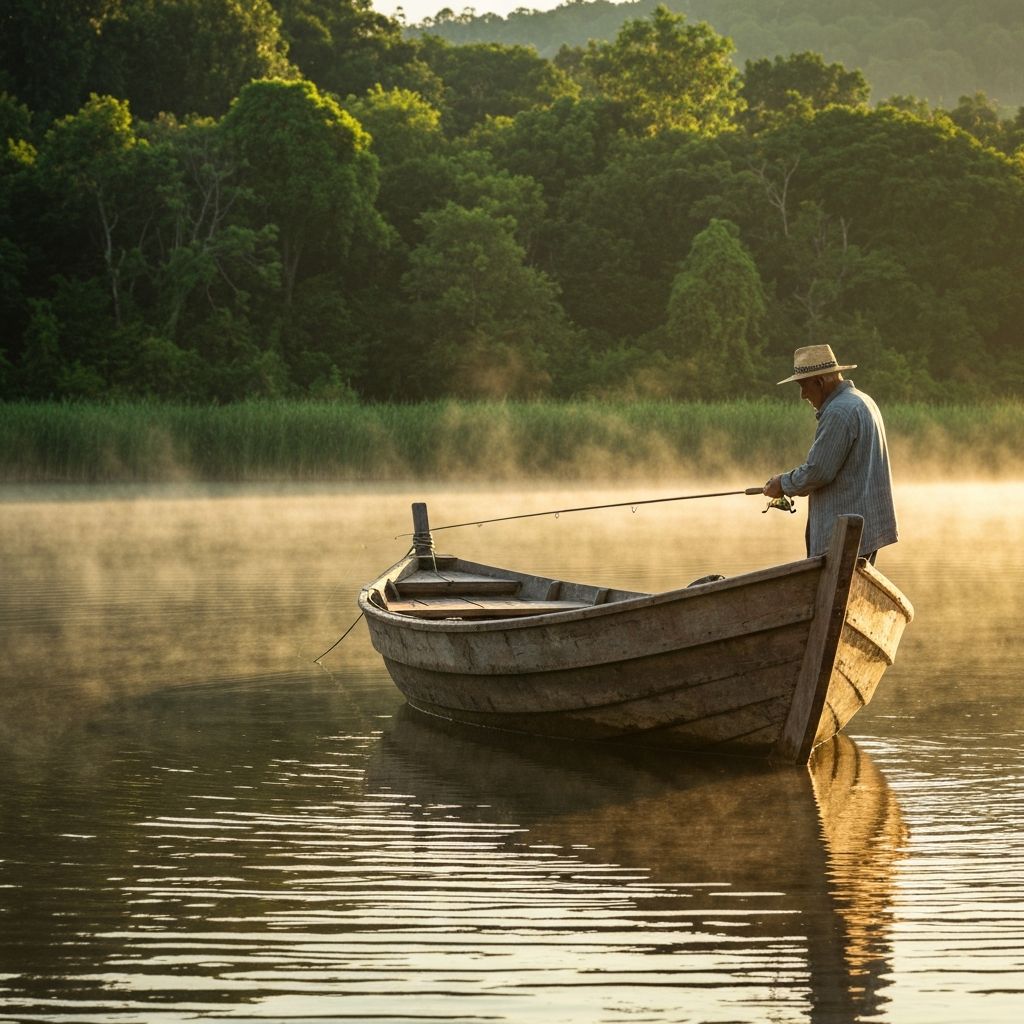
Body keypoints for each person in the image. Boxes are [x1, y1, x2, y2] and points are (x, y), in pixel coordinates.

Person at [762, 344, 897, 563]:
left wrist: (783, 484)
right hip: (864, 530)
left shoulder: (838, 412)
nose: (803, 395)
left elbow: (819, 471)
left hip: (845, 536)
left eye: (803, 386)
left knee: (832, 594)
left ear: (820, 382)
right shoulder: (863, 400)